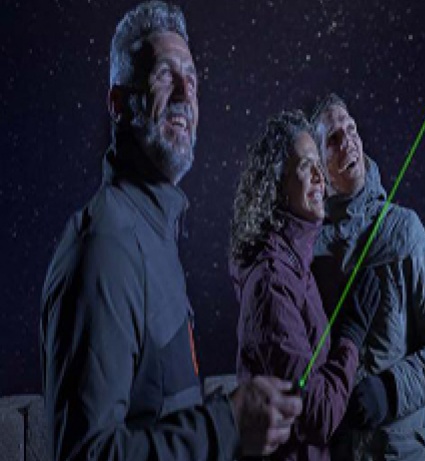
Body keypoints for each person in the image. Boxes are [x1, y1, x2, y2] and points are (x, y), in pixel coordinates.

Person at [39, 3, 301, 459]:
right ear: (118, 104)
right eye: (164, 75)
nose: (184, 93)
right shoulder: (106, 245)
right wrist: (226, 425)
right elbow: (87, 453)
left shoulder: (155, 234)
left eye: (192, 80)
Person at [310, 93, 425, 460]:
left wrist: (390, 391)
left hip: (399, 450)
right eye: (333, 139)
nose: (348, 142)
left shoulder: (403, 230)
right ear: (318, 164)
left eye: (351, 130)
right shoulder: (308, 250)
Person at [229, 110, 381, 460]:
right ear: (276, 185)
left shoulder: (298, 264)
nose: (318, 176)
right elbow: (316, 414)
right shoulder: (272, 281)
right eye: (304, 166)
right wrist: (350, 338)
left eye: (318, 165)